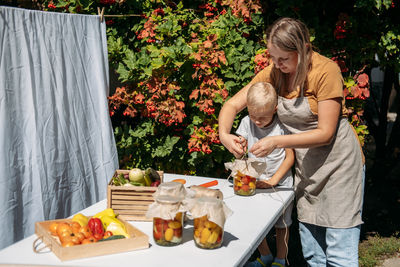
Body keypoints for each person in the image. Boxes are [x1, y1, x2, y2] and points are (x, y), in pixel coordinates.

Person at [218, 17, 364, 267]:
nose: (276, 64)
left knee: (339, 254)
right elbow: (232, 104)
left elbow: (326, 132)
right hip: (307, 169)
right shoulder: (275, 72)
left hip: (339, 166)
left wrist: (276, 141)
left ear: (303, 49)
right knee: (313, 253)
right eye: (273, 58)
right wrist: (224, 134)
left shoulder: (325, 71)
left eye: (283, 59)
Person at [234, 82, 294, 267]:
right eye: (253, 116)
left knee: (282, 225)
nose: (257, 121)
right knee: (254, 221)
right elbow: (240, 147)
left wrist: (274, 180)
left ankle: (280, 260)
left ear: (275, 110)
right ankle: (265, 255)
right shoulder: (246, 122)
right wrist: (239, 147)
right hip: (256, 182)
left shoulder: (281, 127)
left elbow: (290, 157)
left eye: (263, 117)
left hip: (281, 184)